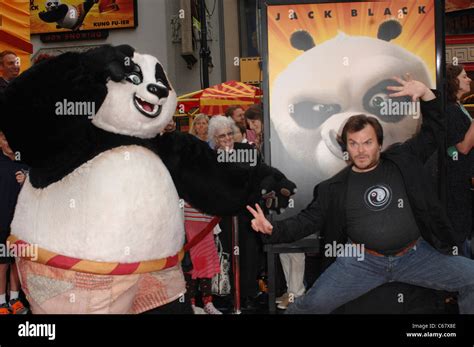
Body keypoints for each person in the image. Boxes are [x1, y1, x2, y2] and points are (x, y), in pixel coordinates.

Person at [247, 76, 474, 314]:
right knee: (310, 306)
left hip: (415, 256)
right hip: (362, 262)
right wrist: (273, 230)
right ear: (345, 147)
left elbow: (433, 132)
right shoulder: (333, 187)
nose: (361, 150)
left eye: (367, 142)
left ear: (379, 143)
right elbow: (307, 220)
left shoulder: (403, 160)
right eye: (353, 144)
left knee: (471, 278)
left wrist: (426, 94)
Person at [208, 116, 265, 310]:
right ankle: (229, 294)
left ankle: (248, 294)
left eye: (230, 133)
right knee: (226, 254)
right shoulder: (210, 157)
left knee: (248, 254)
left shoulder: (248, 151)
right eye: (222, 135)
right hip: (223, 217)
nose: (227, 138)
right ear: (215, 138)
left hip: (247, 214)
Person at [445, 64, 474, 258]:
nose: (469, 79)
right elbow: (463, 147)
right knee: (461, 227)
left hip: (461, 176)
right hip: (455, 179)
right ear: (454, 81)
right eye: (464, 77)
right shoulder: (450, 110)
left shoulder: (457, 107)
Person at [0, 131, 28, 314]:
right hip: (1, 222)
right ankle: (2, 302)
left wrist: (28, 179)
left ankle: (15, 299)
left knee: (16, 262)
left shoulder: (27, 164)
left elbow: (41, 188)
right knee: (1, 263)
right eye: (3, 138)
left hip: (20, 224)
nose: (7, 142)